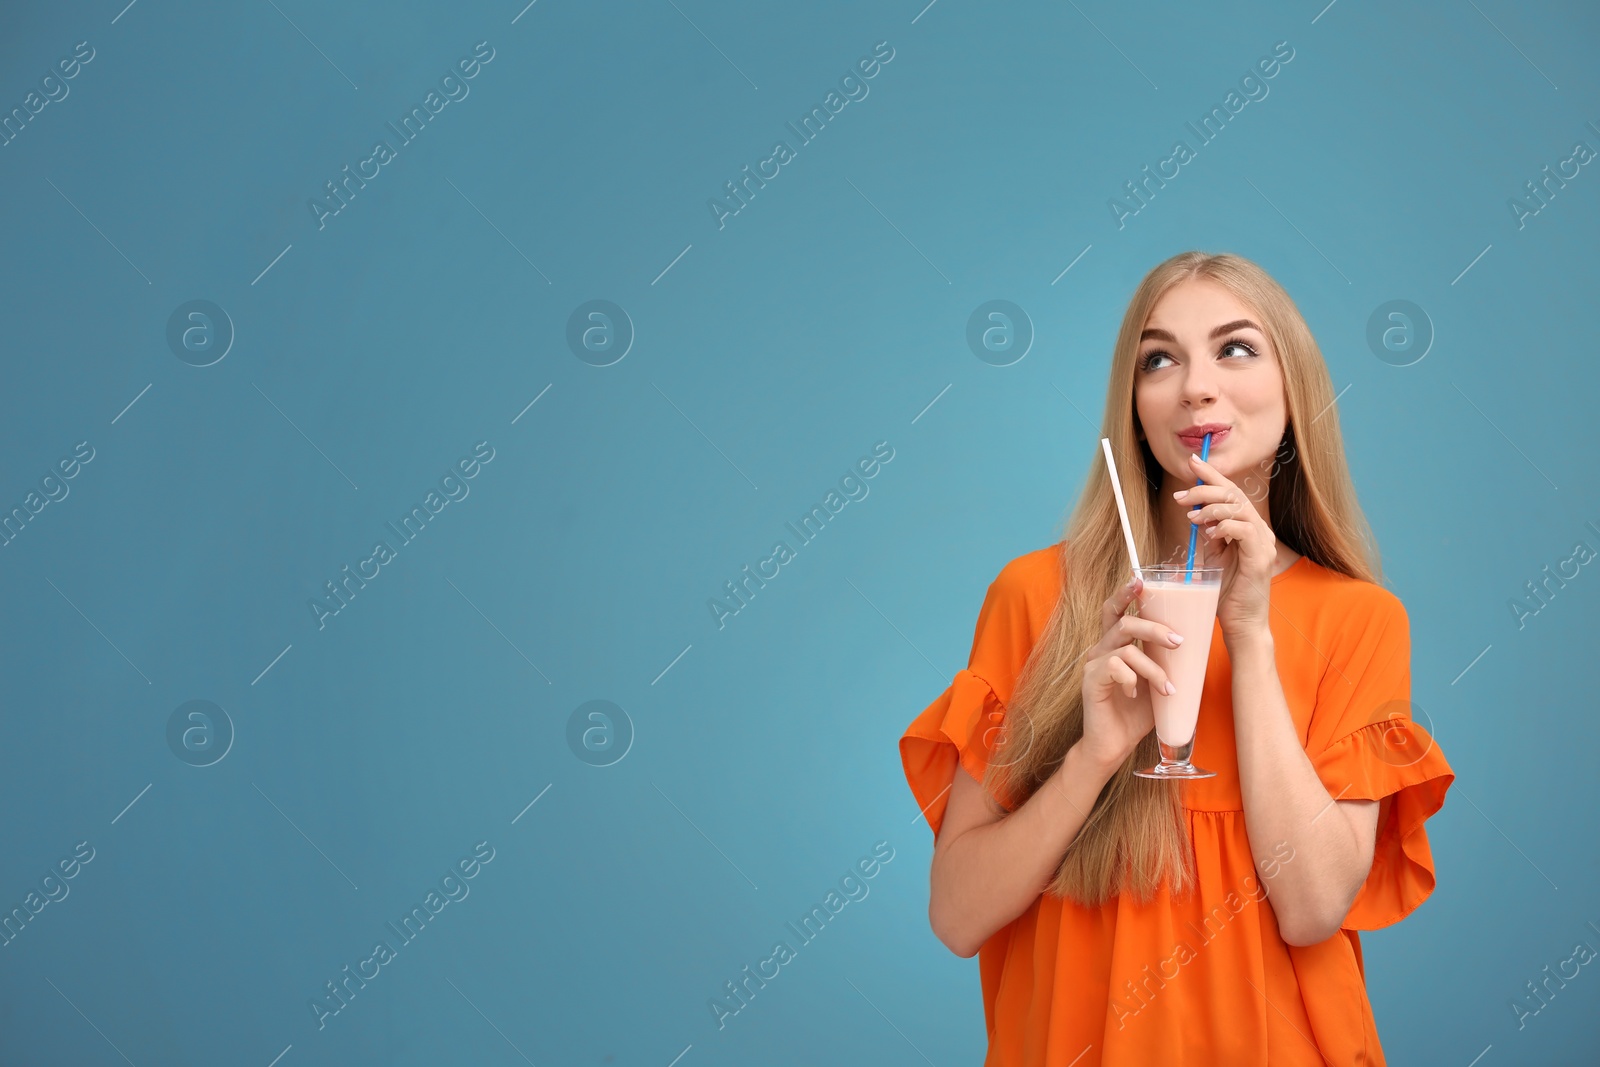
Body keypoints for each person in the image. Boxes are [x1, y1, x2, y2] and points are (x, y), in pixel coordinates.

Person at [898, 250, 1455, 1065]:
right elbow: (956, 916)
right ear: (1133, 404)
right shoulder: (1032, 596)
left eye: (1235, 348)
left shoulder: (1357, 619)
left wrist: (1251, 638)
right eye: (1159, 358)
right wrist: (1092, 757)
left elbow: (1309, 910)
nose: (1195, 385)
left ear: (1294, 387)